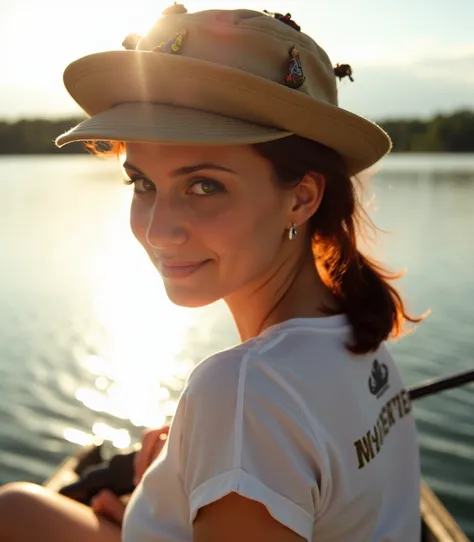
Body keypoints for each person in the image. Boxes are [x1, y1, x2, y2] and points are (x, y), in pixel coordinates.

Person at [0, 5, 423, 542]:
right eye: (142, 183)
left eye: (203, 185)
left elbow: (262, 413)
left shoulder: (244, 392)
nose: (158, 231)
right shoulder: (358, 337)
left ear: (302, 196)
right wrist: (167, 490)